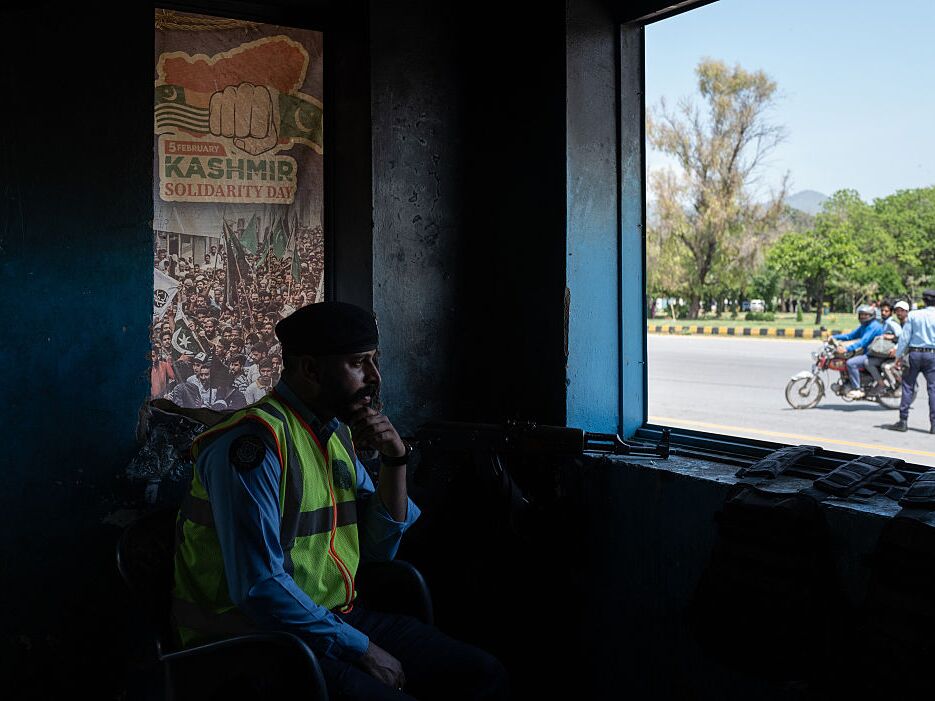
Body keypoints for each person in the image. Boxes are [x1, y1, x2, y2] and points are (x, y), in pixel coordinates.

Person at [172, 301, 509, 700]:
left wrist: (395, 460)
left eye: (374, 361)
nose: (375, 377)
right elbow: (259, 588)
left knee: (483, 674)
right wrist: (361, 647)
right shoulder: (254, 445)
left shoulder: (336, 433)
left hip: (331, 618)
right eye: (358, 363)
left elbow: (379, 550)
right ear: (311, 370)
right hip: (253, 638)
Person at [884, 289, 935, 433]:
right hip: (932, 355)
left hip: (914, 354)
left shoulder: (914, 315)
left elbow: (905, 338)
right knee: (933, 389)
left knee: (907, 387)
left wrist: (898, 356)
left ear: (924, 301)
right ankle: (934, 425)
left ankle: (903, 421)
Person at [831, 304, 884, 399]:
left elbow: (863, 342)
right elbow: (851, 336)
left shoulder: (874, 326)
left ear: (871, 315)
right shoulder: (864, 326)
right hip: (868, 352)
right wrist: (834, 337)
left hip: (874, 354)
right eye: (861, 314)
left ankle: (857, 388)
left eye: (865, 315)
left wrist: (847, 348)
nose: (863, 317)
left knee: (851, 363)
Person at [866, 300, 908, 396]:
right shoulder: (883, 323)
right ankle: (879, 383)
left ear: (891, 312)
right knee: (867, 363)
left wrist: (894, 344)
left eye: (886, 311)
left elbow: (902, 338)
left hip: (893, 354)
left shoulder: (892, 324)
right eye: (882, 311)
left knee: (885, 367)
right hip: (884, 353)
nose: (883, 313)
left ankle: (898, 385)